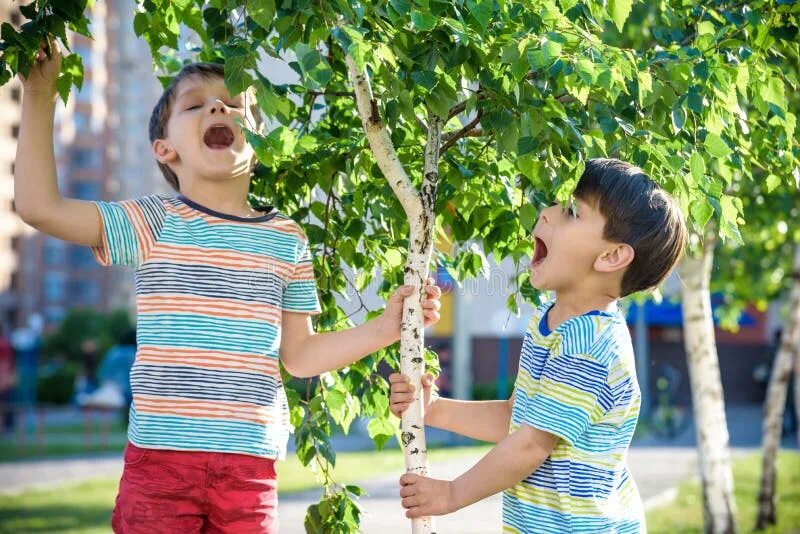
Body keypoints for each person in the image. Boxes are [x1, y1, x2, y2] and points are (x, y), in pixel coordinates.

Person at [15, 37, 442, 533]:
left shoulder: (286, 239)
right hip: (161, 461)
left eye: (236, 103)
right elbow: (38, 207)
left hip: (249, 467)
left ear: (256, 136)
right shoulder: (152, 221)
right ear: (165, 149)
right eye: (196, 104)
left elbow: (300, 356)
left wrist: (386, 328)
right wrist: (40, 94)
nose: (219, 105)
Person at [390, 159, 687, 533]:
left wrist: (451, 494)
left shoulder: (591, 344)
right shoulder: (549, 323)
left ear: (611, 256)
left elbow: (530, 445)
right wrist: (434, 410)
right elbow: (516, 421)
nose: (546, 214)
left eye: (571, 212)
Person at [0, 324, 17, 434]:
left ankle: (7, 426)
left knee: (6, 403)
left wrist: (4, 379)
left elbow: (5, 363)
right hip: (6, 378)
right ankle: (7, 426)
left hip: (4, 379)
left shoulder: (3, 345)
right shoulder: (5, 344)